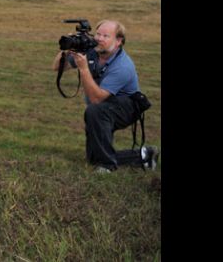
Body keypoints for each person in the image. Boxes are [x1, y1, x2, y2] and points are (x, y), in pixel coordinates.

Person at [52, 19, 159, 173]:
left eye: (106, 36)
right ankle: (144, 155)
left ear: (118, 41)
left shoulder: (123, 66)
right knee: (93, 158)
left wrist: (83, 69)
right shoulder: (92, 52)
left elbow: (96, 99)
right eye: (98, 34)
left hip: (127, 107)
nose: (99, 39)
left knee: (95, 111)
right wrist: (68, 49)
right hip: (104, 106)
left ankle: (107, 166)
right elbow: (56, 67)